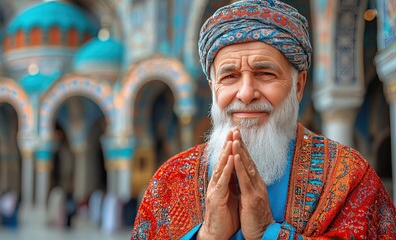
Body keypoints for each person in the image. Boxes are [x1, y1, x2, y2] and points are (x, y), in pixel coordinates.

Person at [131, 0, 396, 239]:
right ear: (213, 88)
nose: (246, 94)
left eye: (265, 73)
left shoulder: (349, 178)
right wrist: (208, 236)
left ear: (298, 85)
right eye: (230, 76)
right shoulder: (169, 182)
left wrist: (267, 233)